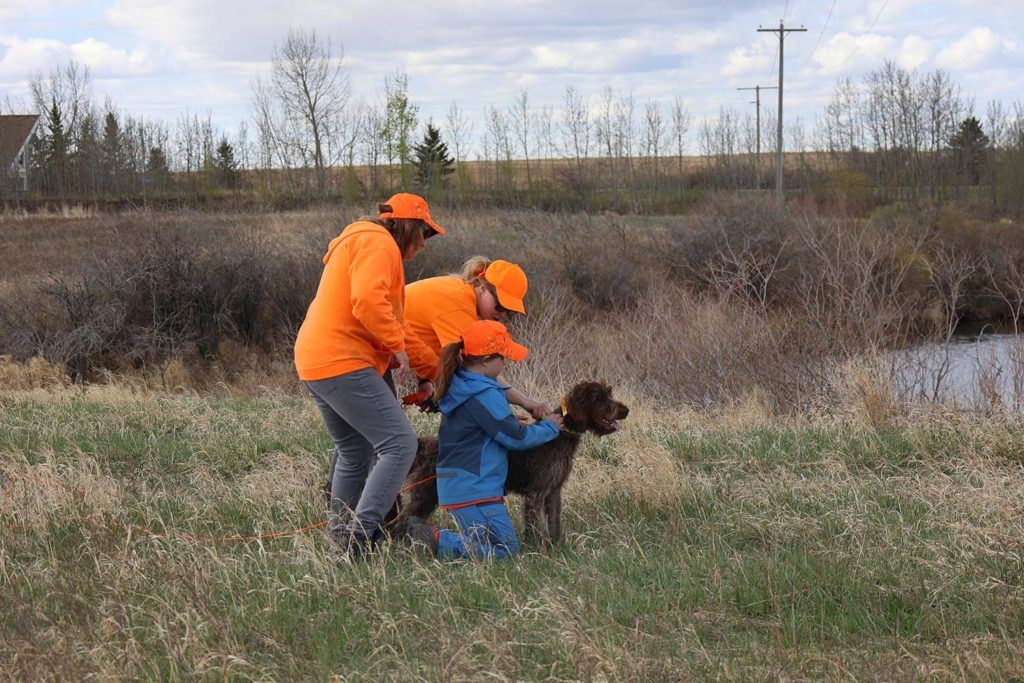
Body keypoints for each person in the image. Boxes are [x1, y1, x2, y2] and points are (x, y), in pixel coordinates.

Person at [294, 193, 443, 559]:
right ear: (407, 226)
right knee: (400, 444)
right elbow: (367, 301)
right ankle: (360, 537)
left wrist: (433, 372)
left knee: (354, 449)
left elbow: (396, 324)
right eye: (424, 233)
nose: (425, 243)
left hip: (316, 359)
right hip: (343, 360)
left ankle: (342, 536)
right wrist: (396, 347)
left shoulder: (366, 243)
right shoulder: (378, 244)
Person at [404, 320, 564, 559]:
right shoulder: (485, 394)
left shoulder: (461, 384)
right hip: (475, 488)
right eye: (503, 358)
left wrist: (506, 419)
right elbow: (516, 438)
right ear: (486, 359)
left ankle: (431, 538)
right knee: (506, 549)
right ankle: (437, 539)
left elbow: (483, 426)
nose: (505, 363)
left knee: (489, 543)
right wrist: (550, 427)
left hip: (459, 484)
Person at [404, 257, 551, 418]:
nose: (502, 315)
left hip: (380, 353)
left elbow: (421, 333)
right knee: (397, 439)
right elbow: (472, 372)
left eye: (510, 311)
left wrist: (423, 381)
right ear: (482, 286)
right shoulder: (458, 302)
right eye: (500, 305)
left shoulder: (463, 295)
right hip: (374, 352)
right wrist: (518, 406)